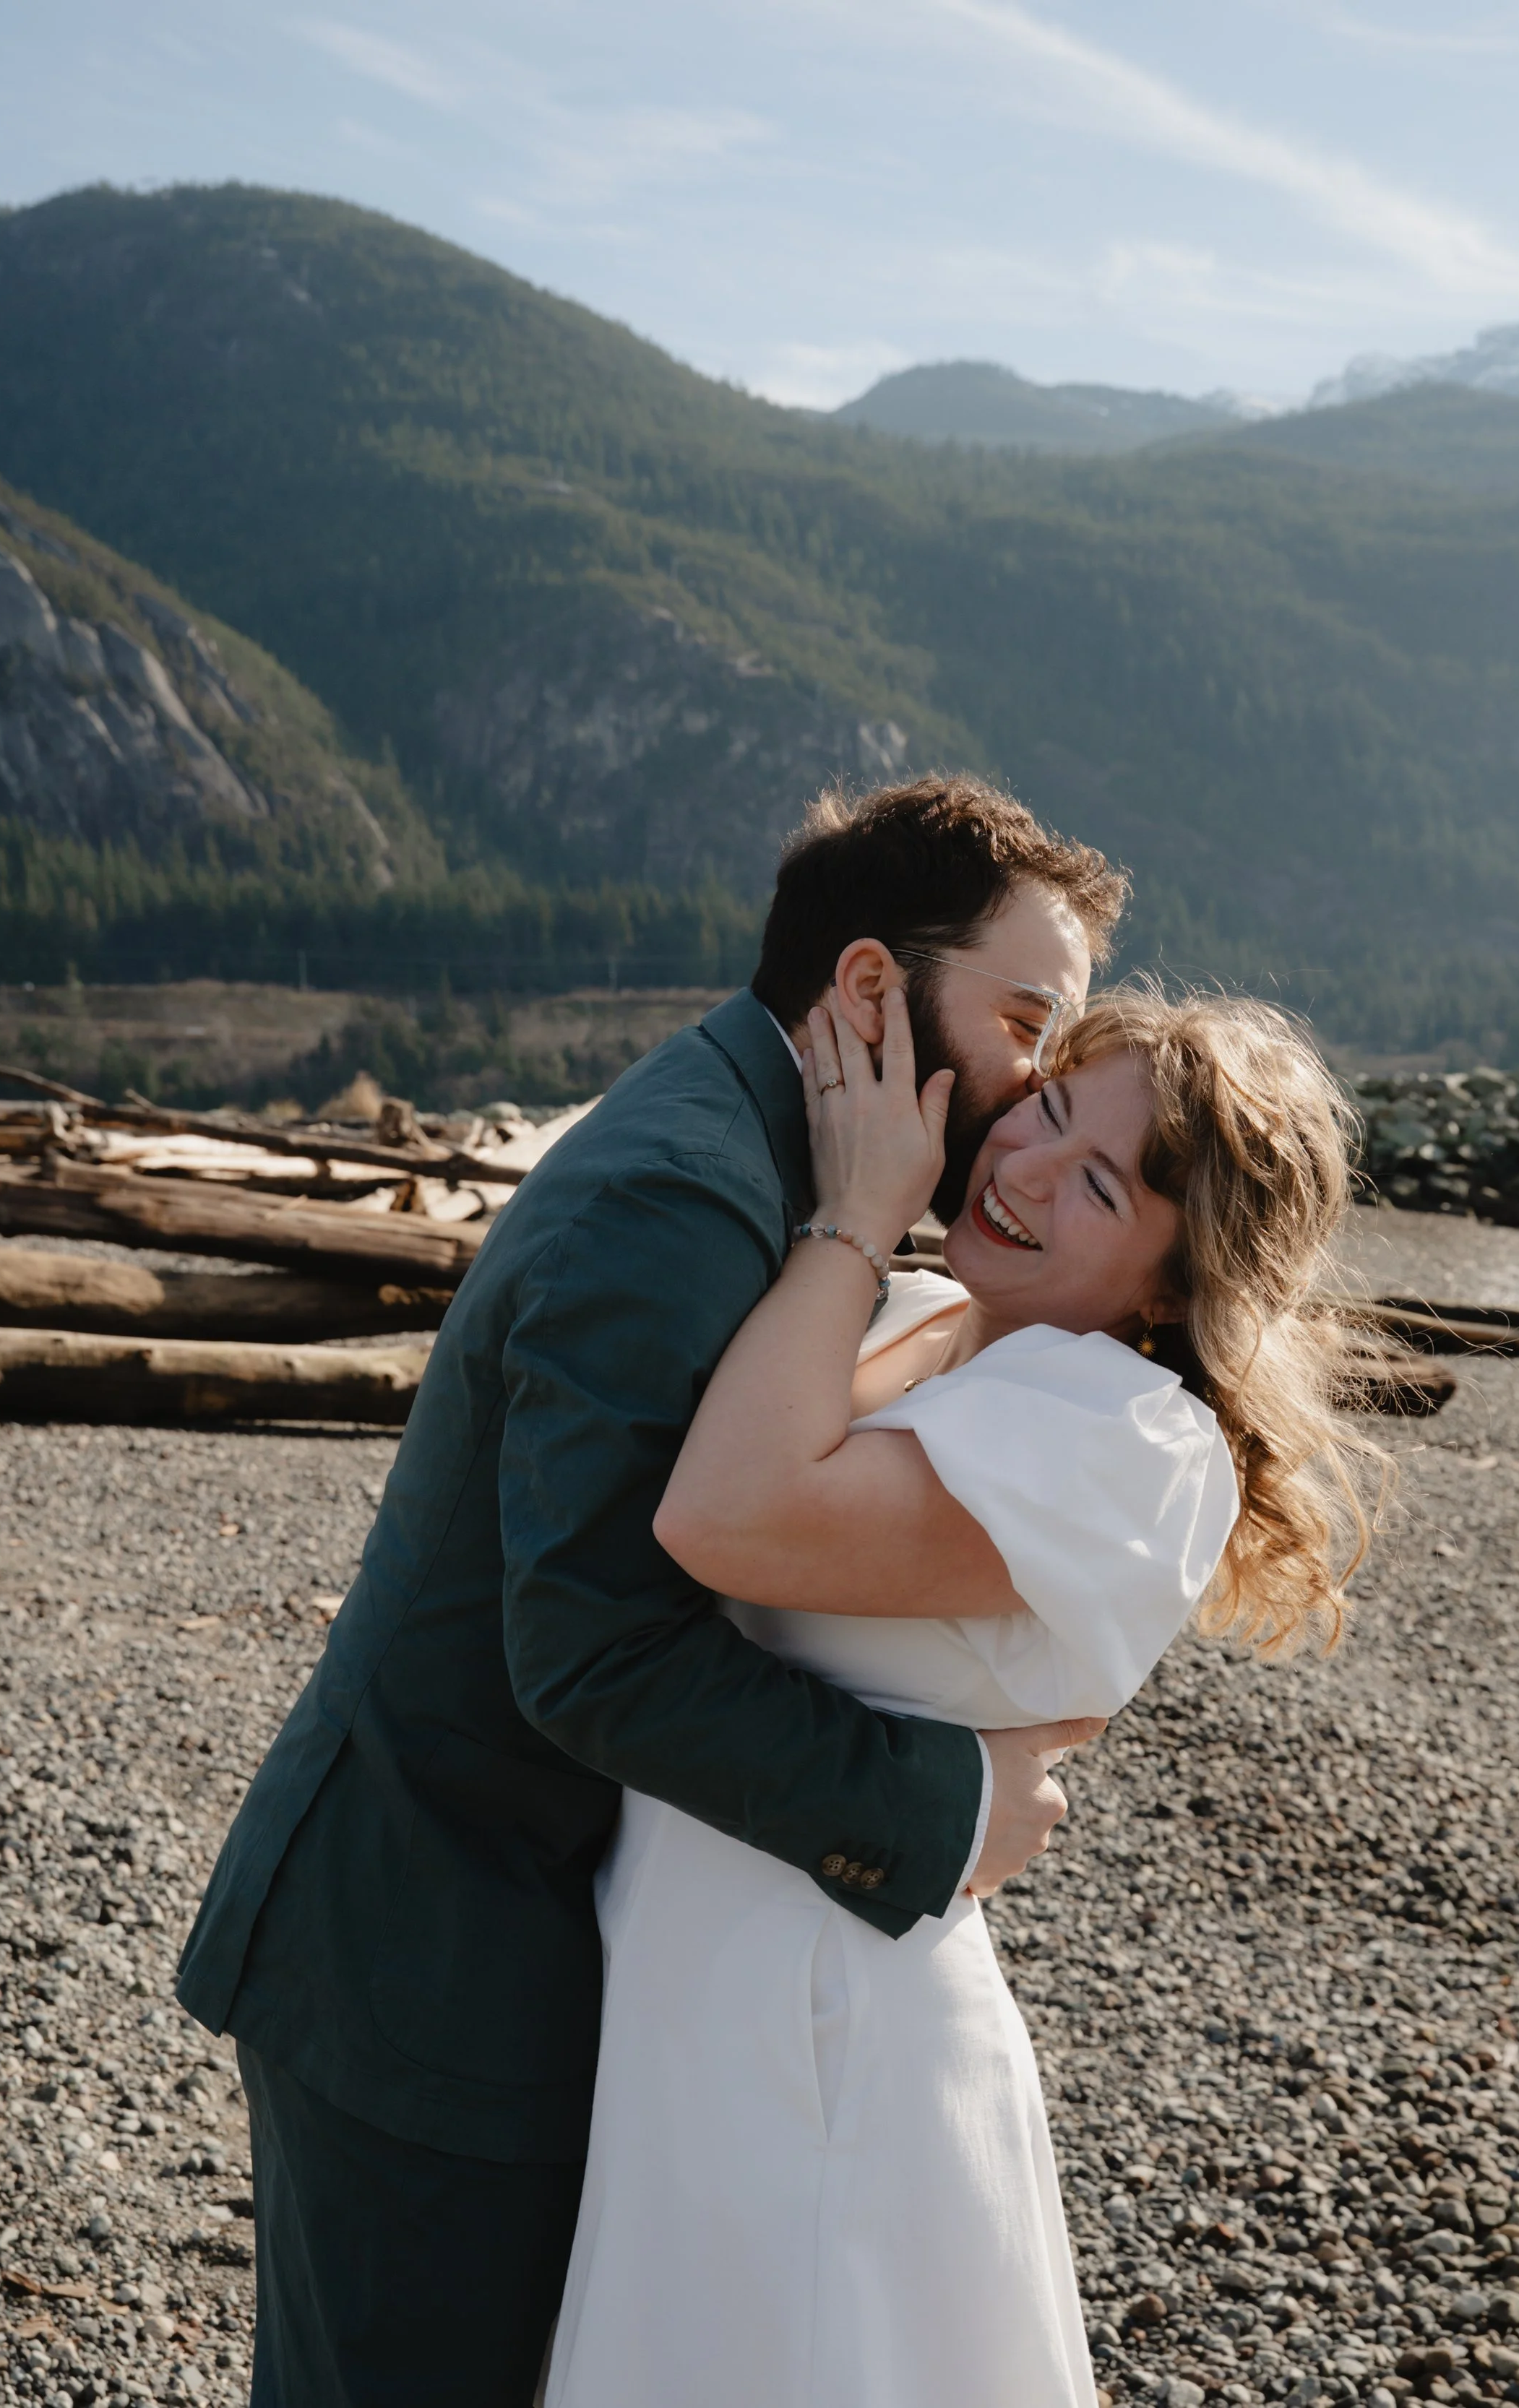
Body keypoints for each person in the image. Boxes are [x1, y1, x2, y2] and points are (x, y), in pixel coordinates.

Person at [173, 774, 1128, 2407]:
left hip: (479, 1931)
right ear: (869, 993)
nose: (1036, 1083)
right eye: (1025, 1020)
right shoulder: (681, 1197)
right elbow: (591, 1653)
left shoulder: (766, 1159)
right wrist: (941, 1802)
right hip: (425, 1955)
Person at [543, 980, 1377, 2408]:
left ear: (1170, 1289)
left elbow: (725, 1514)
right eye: (1045, 1109)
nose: (1027, 1165)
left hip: (819, 2022)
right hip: (691, 1981)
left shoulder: (1126, 1437)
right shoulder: (933, 1312)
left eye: (1099, 1181)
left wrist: (853, 1214)